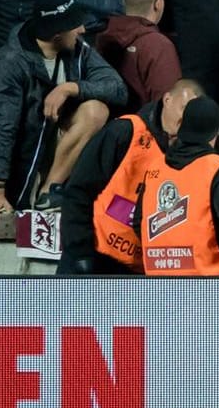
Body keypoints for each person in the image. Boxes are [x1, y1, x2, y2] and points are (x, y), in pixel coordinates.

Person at [0, 0, 125, 217]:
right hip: (18, 158)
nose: (82, 30)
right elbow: (2, 127)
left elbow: (117, 88)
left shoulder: (78, 50)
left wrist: (69, 88)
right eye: (74, 26)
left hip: (56, 149)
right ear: (57, 37)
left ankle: (50, 192)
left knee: (96, 109)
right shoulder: (9, 62)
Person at [56, 80, 206, 274]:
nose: (185, 119)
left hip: (139, 270)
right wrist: (80, 252)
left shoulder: (191, 156)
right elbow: (79, 191)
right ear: (167, 99)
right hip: (92, 256)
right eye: (183, 108)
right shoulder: (125, 131)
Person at [138, 96, 219, 276]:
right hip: (206, 287)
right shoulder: (218, 168)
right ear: (217, 132)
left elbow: (137, 221)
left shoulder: (155, 168)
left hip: (157, 285)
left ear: (182, 127)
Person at [94, 0, 185, 112]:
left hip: (108, 130)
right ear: (158, 3)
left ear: (124, 2)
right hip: (140, 131)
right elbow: (166, 109)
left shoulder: (102, 39)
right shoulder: (158, 46)